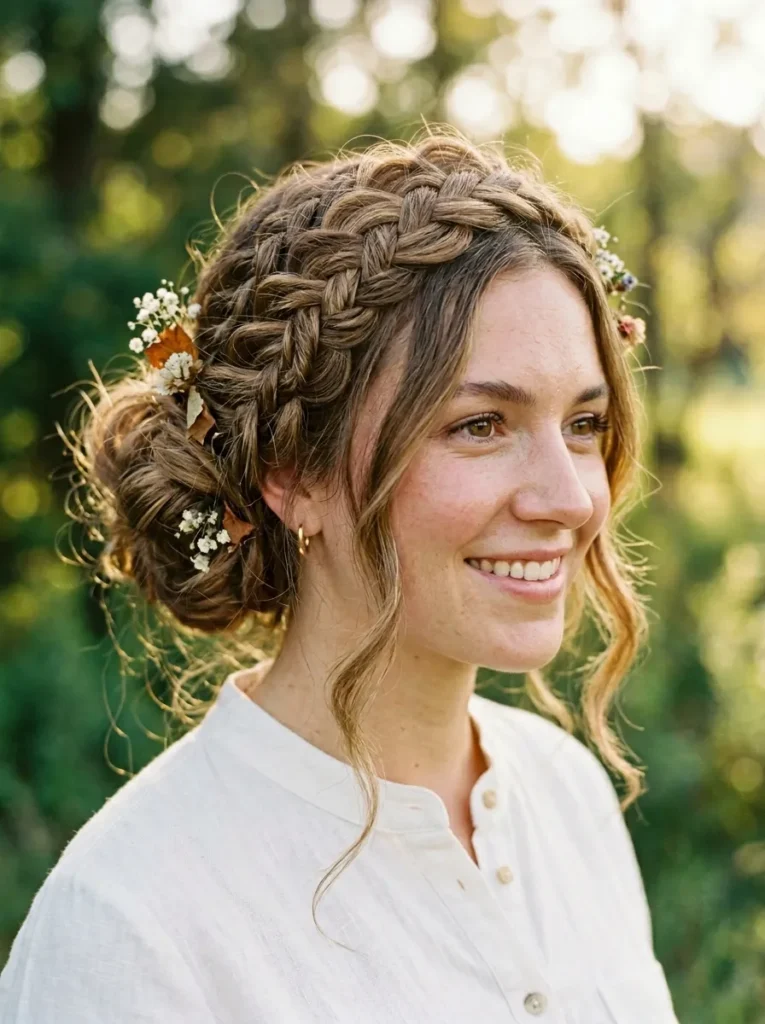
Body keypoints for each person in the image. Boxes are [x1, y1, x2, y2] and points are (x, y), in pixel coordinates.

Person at [0, 129, 678, 1023]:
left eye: (583, 424)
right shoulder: (132, 923)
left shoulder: (566, 794)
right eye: (479, 425)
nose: (569, 497)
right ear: (293, 471)